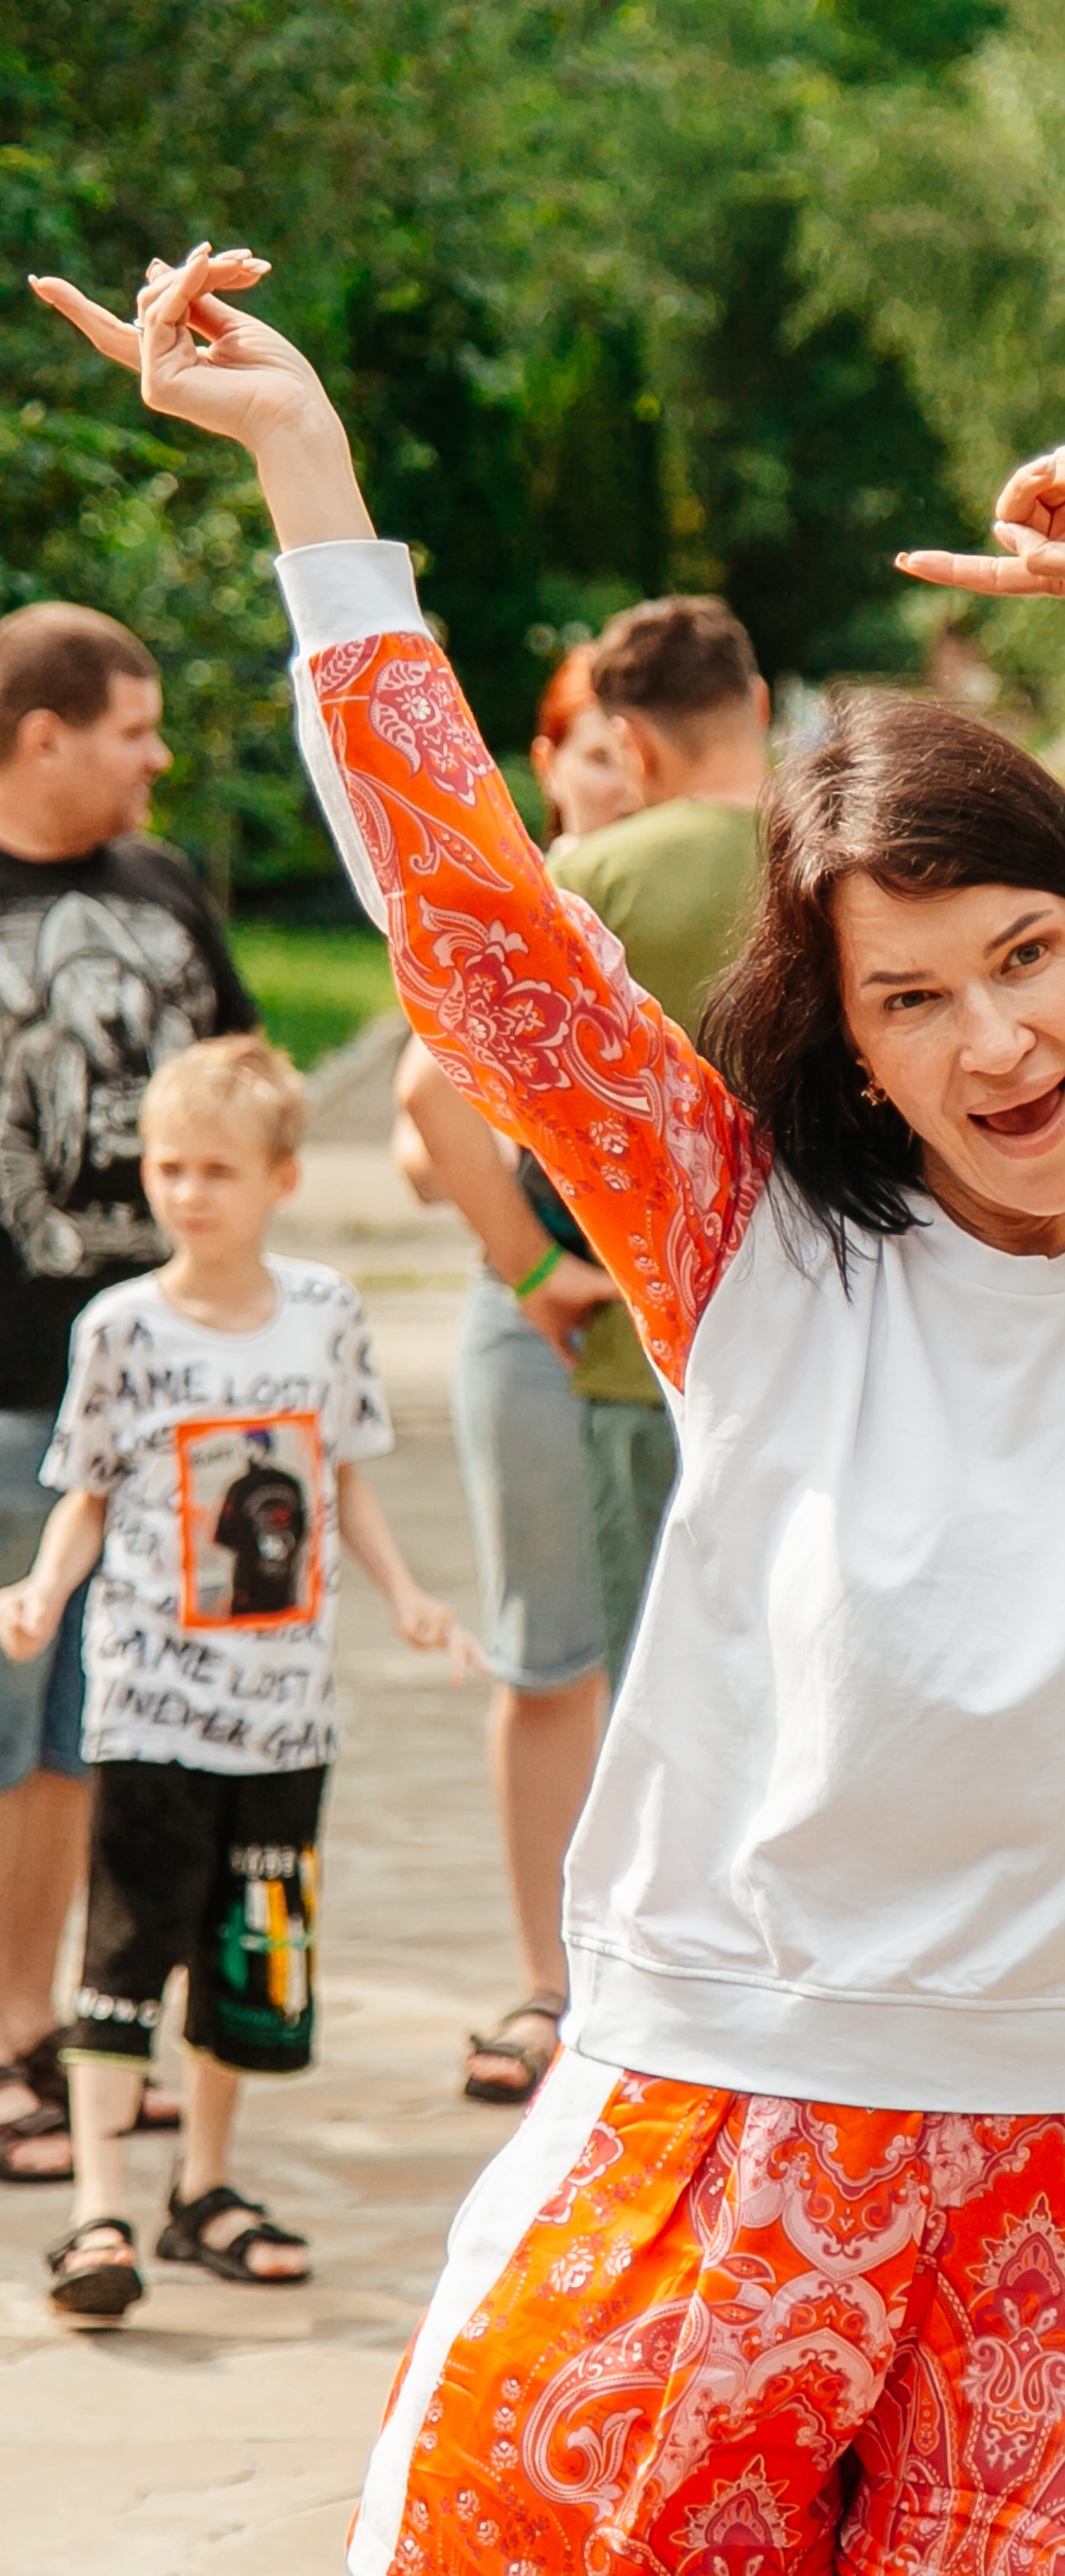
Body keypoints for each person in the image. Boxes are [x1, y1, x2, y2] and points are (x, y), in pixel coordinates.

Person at [35, 244, 1065, 2574]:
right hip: (718, 2134)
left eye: (1027, 953)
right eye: (912, 998)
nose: (996, 1041)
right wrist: (308, 468)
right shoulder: (752, 1248)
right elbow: (477, 932)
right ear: (852, 1050)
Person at [0, 1032, 458, 2321]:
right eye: (168, 1168)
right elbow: (87, 1495)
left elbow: (341, 1479)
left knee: (248, 1962)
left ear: (282, 1179)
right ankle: (98, 2211)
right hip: (150, 1704)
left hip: (284, 1714)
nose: (187, 1193)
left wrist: (408, 1594)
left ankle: (204, 2188)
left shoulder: (323, 1317)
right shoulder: (121, 1329)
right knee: (124, 1948)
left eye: (216, 1170)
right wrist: (43, 1590)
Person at [395, 623, 762, 2105]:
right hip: (734, 1334)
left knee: (572, 1661)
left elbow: (428, 1098)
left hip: (596, 1326)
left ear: (644, 744)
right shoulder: (841, 858)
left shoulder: (592, 880)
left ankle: (576, 1991)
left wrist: (531, 1264)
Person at [0, 547, 258, 2187]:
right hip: (8, 1388)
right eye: (134, 729)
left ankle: (58, 2028)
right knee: (8, 1719)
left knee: (107, 1729)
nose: (158, 757)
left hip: (164, 1397)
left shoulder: (163, 889)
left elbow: (243, 1085)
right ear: (42, 736)